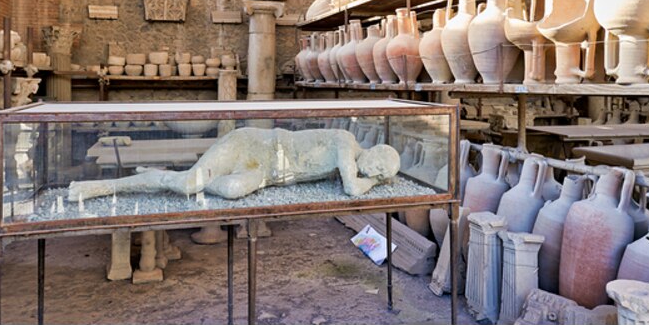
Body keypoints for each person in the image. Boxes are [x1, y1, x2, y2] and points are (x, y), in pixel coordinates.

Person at [68, 127, 400, 201]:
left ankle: (176, 176)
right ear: (375, 151)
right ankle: (99, 187)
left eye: (381, 174)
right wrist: (377, 183)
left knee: (232, 191)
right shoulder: (346, 142)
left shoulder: (345, 162)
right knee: (188, 186)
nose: (375, 172)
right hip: (254, 143)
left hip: (265, 173)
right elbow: (353, 189)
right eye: (379, 167)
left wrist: (378, 179)